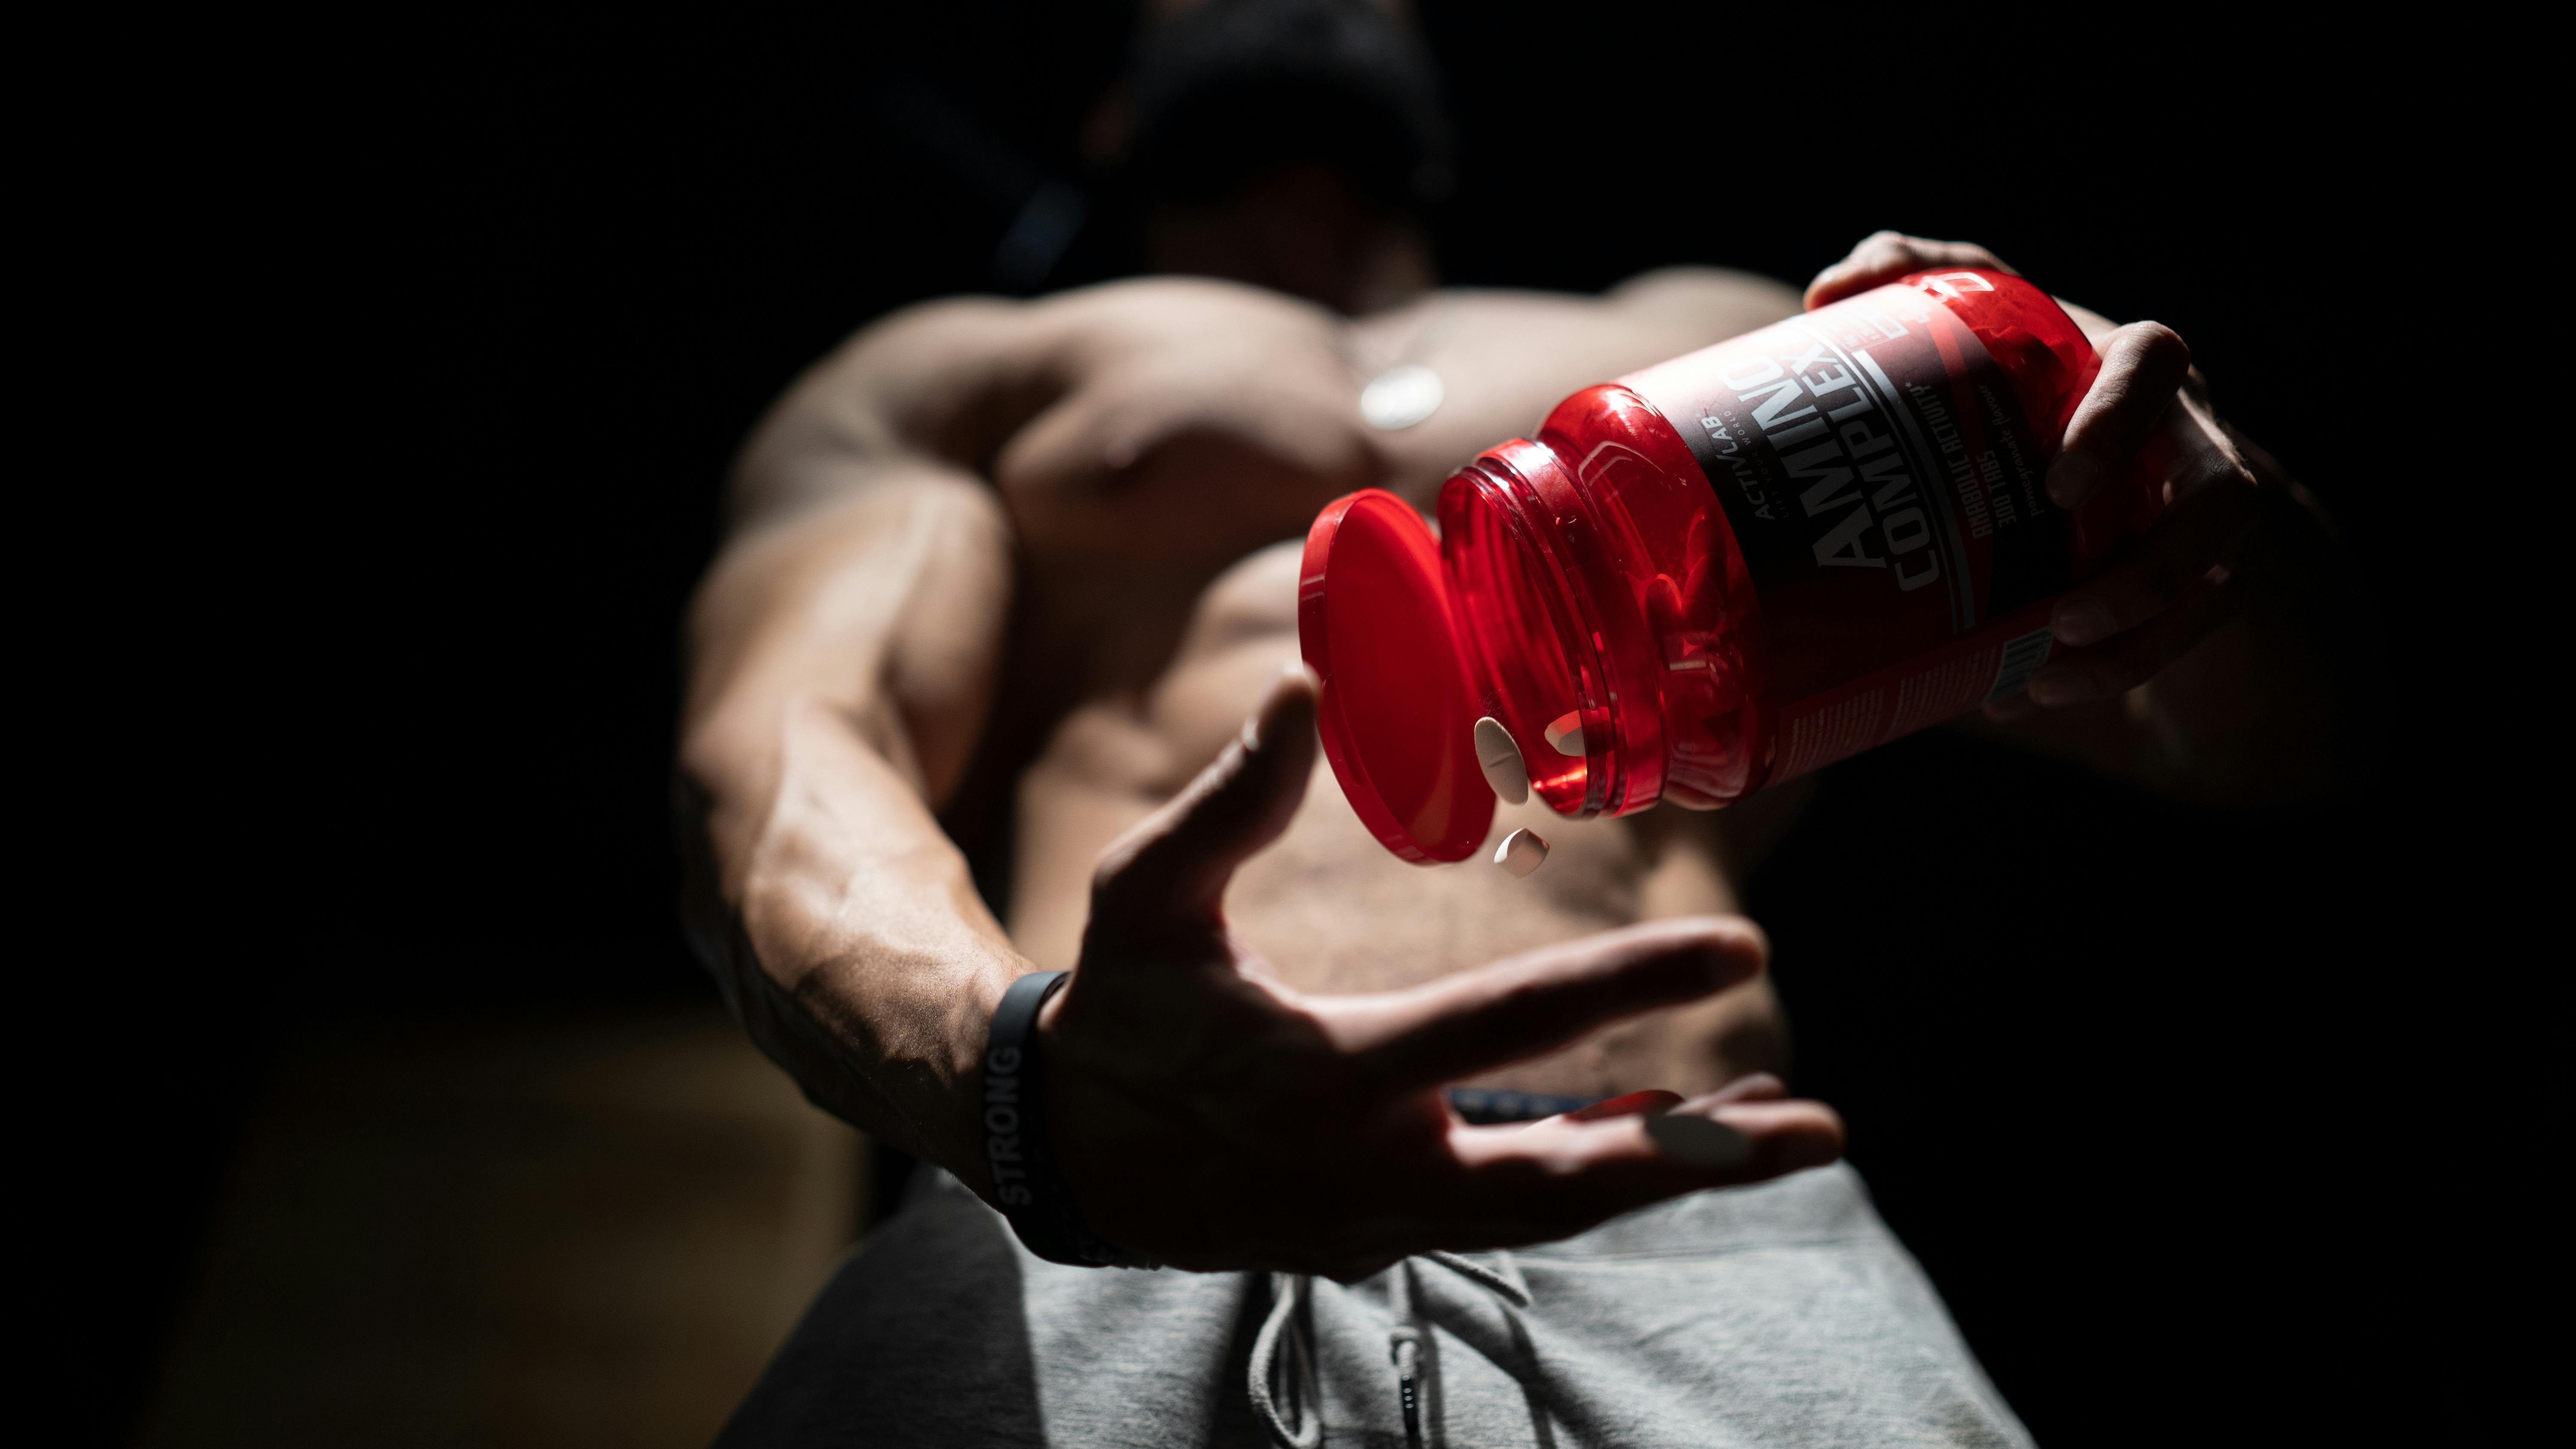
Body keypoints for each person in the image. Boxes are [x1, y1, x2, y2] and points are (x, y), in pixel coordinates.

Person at [677, 4, 2355, 1443]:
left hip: (1698, 1220)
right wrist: (1012, 1089)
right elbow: (788, 759)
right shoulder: (972, 377)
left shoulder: (1726, 324)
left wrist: (2208, 536)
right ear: (1115, 105)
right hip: (1085, 1197)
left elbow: (2257, 738)